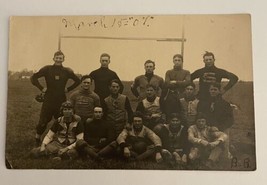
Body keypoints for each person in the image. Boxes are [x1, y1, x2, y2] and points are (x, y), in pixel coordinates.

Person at [31, 50, 80, 146]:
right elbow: (33, 78)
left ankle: (59, 140)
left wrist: (68, 89)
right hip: (48, 99)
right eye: (57, 58)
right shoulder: (47, 69)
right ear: (53, 58)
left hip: (61, 100)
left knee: (61, 121)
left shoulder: (67, 71)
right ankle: (37, 139)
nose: (58, 60)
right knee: (43, 122)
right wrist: (41, 88)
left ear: (63, 59)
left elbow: (78, 81)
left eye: (60, 58)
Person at [197, 82, 234, 158]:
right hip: (208, 127)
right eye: (211, 89)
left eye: (215, 89)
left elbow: (230, 119)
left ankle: (225, 153)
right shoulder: (204, 103)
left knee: (223, 147)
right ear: (209, 91)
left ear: (219, 91)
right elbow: (201, 116)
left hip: (221, 128)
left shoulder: (225, 104)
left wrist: (220, 128)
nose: (213, 91)